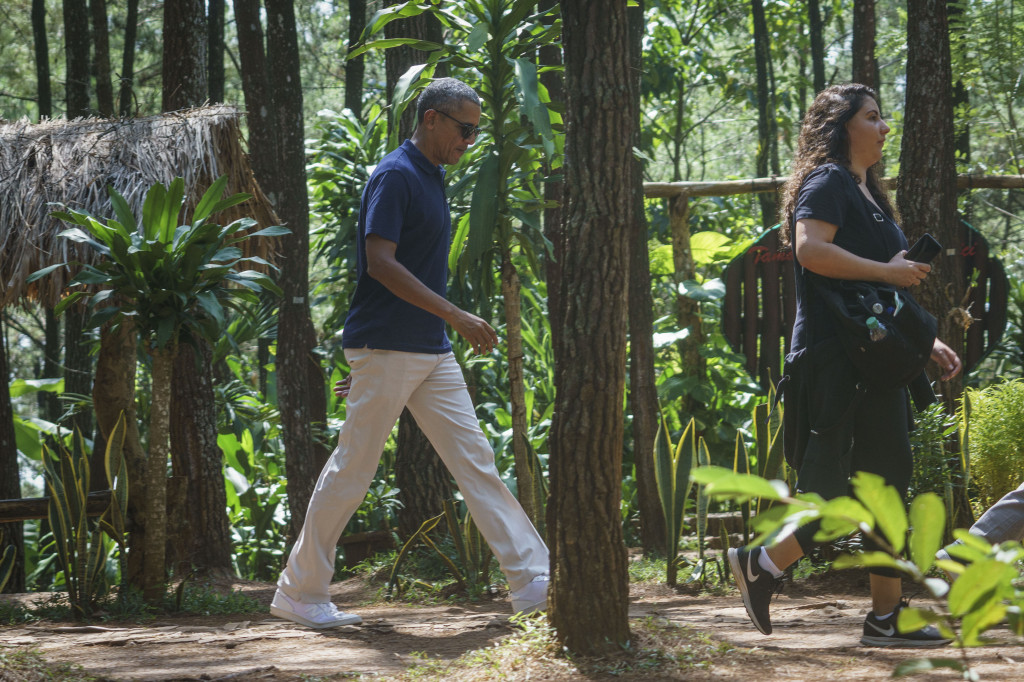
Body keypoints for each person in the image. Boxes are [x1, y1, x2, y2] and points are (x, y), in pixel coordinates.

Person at [270, 77, 550, 629]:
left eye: (476, 131)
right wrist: (451, 317)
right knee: (353, 469)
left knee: (475, 461)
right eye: (464, 129)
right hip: (389, 344)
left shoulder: (432, 175)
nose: (469, 140)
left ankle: (532, 581)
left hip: (427, 350)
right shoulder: (395, 174)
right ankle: (300, 591)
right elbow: (380, 263)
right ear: (431, 119)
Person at [727, 83, 962, 648]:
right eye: (872, 117)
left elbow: (875, 294)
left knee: (886, 485)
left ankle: (881, 616)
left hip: (874, 362)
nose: (884, 128)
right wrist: (887, 272)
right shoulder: (829, 180)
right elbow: (810, 250)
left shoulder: (868, 195)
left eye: (883, 117)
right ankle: (765, 562)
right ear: (840, 127)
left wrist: (923, 341)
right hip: (836, 361)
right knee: (836, 487)